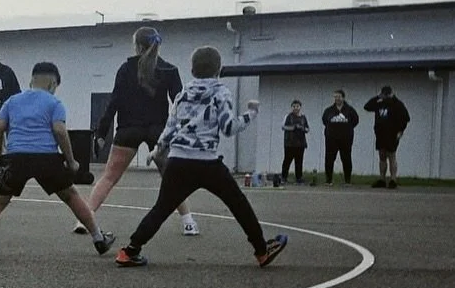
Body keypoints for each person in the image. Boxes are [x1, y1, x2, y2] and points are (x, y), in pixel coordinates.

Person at [114, 46, 288, 269]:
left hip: (178, 160)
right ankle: (262, 251)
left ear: (192, 70)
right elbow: (228, 127)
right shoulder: (220, 92)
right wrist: (251, 113)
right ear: (219, 69)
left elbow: (171, 125)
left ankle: (130, 250)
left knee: (162, 208)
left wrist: (158, 149)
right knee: (238, 204)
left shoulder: (183, 93)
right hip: (207, 162)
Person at [0, 62, 114, 258]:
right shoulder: (54, 103)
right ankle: (99, 238)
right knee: (71, 196)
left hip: (17, 157)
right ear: (53, 83)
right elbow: (59, 131)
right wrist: (71, 160)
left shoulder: (12, 102)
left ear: (32, 80)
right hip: (46, 158)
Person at [74, 26, 200, 237]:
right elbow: (180, 104)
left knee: (108, 177)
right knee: (171, 178)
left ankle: (84, 219)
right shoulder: (169, 70)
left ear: (137, 46)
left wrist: (101, 133)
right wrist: (181, 131)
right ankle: (188, 222)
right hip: (157, 131)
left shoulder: (126, 69)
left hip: (128, 129)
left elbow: (113, 102)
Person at [364, 85, 410, 189]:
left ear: (390, 94)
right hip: (380, 134)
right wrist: (377, 97)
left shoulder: (397, 104)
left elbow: (405, 118)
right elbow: (367, 106)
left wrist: (400, 131)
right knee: (382, 156)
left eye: (386, 95)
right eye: (383, 95)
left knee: (391, 156)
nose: (384, 97)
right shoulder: (379, 103)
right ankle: (382, 179)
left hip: (392, 134)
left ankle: (393, 179)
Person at [322, 89, 360, 186]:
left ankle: (347, 181)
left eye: (339, 96)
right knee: (329, 159)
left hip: (346, 139)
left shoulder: (350, 110)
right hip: (331, 139)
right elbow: (324, 121)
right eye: (335, 97)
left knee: (346, 159)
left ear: (343, 97)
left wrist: (346, 129)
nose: (337, 99)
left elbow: (355, 121)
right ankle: (329, 180)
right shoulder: (329, 110)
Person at [280, 99, 310, 184]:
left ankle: (299, 178)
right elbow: (283, 127)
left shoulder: (303, 117)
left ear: (300, 107)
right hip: (289, 143)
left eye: (297, 106)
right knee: (287, 161)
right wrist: (293, 127)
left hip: (300, 144)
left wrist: (302, 128)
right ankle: (284, 177)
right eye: (294, 106)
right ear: (291, 107)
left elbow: (307, 129)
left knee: (299, 161)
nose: (295, 108)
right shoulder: (288, 116)